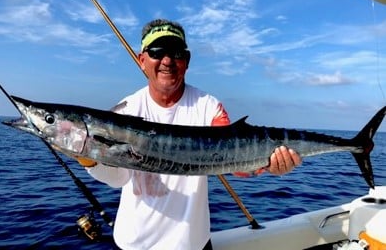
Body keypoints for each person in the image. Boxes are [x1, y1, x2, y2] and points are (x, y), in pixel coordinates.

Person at [78, 19, 302, 250]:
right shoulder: (124, 111)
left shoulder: (208, 106)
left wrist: (268, 165)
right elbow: (119, 179)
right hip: (134, 244)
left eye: (175, 52)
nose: (167, 61)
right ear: (142, 60)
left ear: (186, 61)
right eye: (157, 52)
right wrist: (86, 156)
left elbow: (235, 165)